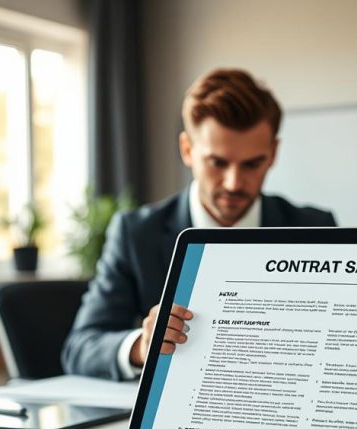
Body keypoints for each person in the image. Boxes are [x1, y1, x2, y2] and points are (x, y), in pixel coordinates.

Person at [62, 68, 336, 380]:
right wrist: (143, 344)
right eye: (218, 162)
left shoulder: (313, 228)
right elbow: (81, 347)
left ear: (273, 153)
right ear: (187, 150)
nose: (234, 183)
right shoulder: (136, 234)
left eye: (252, 164)